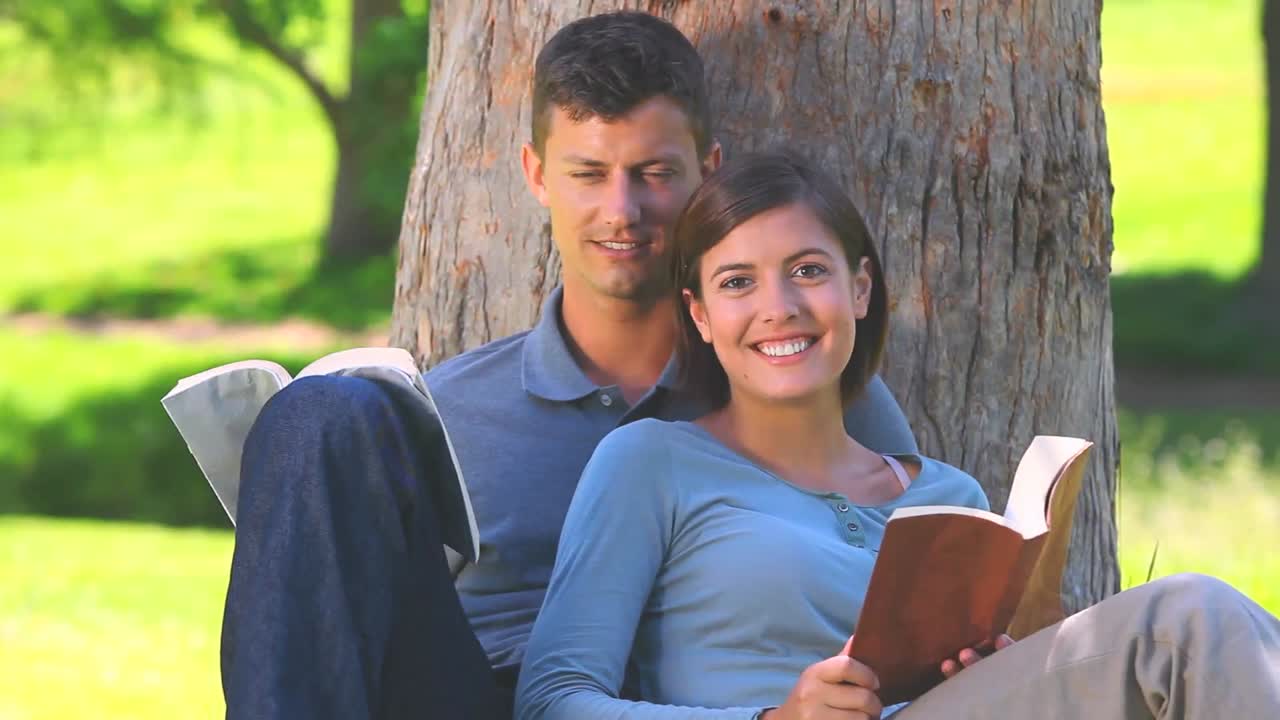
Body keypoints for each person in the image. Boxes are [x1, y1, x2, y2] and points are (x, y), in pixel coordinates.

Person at [220, 13, 920, 720]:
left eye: (654, 174)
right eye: (588, 174)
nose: (622, 211)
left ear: (706, 174)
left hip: (697, 706)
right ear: (537, 175)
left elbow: (894, 581)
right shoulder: (453, 410)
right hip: (474, 696)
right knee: (325, 414)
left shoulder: (803, 382)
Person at [514, 151, 1280, 719]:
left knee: (1205, 637)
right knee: (1188, 623)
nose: (778, 306)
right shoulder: (652, 464)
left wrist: (995, 675)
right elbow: (553, 702)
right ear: (703, 316)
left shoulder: (951, 499)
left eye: (808, 271)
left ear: (861, 288)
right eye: (738, 282)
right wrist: (774, 719)